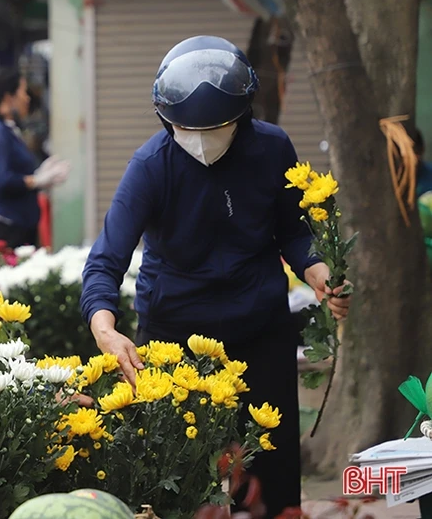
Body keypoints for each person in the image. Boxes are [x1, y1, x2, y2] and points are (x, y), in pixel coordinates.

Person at [80, 36, 352, 518]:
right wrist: (104, 325)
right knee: (175, 475)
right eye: (187, 127)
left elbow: (295, 231)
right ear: (167, 120)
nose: (203, 138)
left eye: (219, 125)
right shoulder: (150, 166)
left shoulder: (271, 148)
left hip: (260, 328)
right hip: (173, 334)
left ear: (243, 114)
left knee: (272, 466)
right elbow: (107, 257)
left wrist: (318, 271)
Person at [0, 67, 70, 248]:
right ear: (9, 96)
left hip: (16, 225)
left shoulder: (5, 129)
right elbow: (2, 180)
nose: (27, 98)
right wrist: (37, 180)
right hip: (4, 228)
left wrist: (39, 174)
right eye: (23, 91)